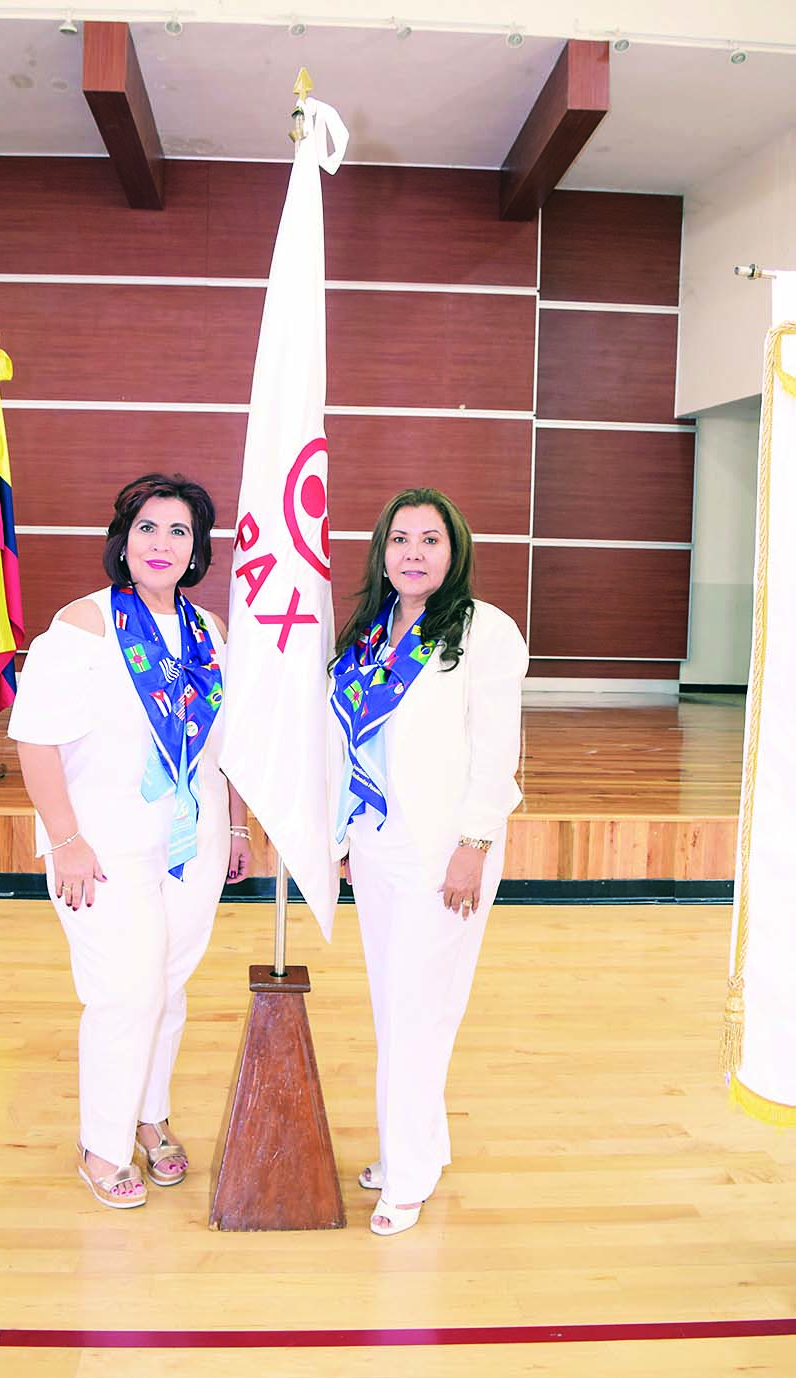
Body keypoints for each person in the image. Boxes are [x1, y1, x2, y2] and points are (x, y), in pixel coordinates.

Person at [9, 472, 251, 1209]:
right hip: (102, 845)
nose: (162, 543)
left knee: (167, 988)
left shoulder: (209, 632)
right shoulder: (81, 625)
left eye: (179, 532)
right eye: (148, 527)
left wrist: (236, 823)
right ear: (123, 539)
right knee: (125, 991)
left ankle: (150, 1117)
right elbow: (35, 742)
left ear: (195, 551)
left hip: (192, 843)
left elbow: (228, 743)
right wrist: (67, 840)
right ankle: (102, 1144)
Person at [328, 487, 528, 1236]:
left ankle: (406, 1175)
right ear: (382, 551)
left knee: (416, 1012)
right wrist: (346, 838)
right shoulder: (369, 630)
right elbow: (351, 738)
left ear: (455, 551)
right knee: (403, 1007)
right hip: (380, 846)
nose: (413, 552)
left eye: (430, 540)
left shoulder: (484, 632)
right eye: (400, 539)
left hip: (448, 852)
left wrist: (473, 847)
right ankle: (418, 1144)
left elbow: (495, 753)